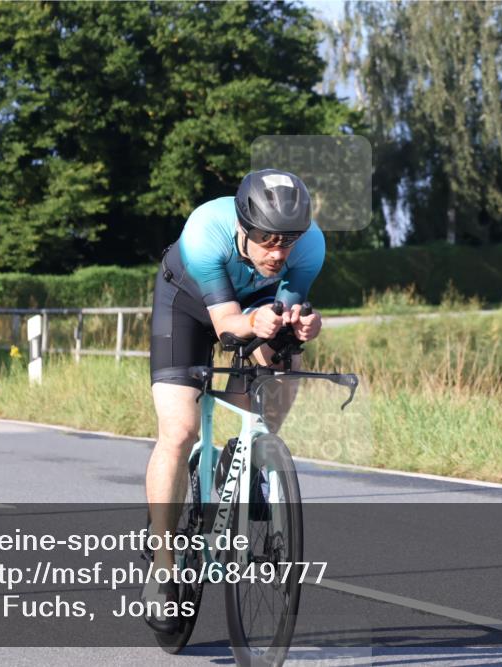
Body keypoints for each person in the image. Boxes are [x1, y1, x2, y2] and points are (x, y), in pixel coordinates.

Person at [144, 169, 325, 632]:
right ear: (243, 228)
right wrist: (258, 321)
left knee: (285, 357)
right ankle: (162, 563)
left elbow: (285, 314)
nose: (278, 253)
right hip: (186, 307)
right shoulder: (207, 230)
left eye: (288, 241)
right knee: (180, 428)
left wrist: (302, 324)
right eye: (266, 240)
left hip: (253, 308)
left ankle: (245, 459)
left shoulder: (310, 247)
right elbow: (226, 327)